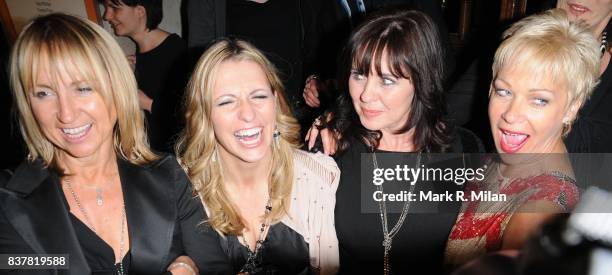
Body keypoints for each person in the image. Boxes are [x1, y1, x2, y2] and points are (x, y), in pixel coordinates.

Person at [0, 13, 230, 274]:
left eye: (83, 88)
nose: (66, 113)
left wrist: (191, 267)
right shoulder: (9, 202)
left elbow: (214, 265)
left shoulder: (168, 175)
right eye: (44, 93)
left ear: (116, 88)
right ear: (28, 105)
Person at [306, 9, 483, 274]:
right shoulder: (332, 147)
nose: (366, 94)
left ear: (422, 82)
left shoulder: (465, 151)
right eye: (359, 74)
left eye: (387, 80)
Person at [444, 9, 601, 266]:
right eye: (504, 91)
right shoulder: (515, 154)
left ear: (572, 107)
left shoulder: (539, 214)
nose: (511, 115)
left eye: (539, 100)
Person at [176, 38, 340, 274]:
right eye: (226, 101)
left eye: (259, 96)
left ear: (276, 101)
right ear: (204, 115)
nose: (248, 114)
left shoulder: (318, 176)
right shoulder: (181, 186)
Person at [103, 0, 187, 153]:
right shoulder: (137, 56)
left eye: (114, 8)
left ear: (140, 11)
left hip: (177, 159)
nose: (107, 16)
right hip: (154, 156)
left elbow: (191, 113)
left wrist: (148, 103)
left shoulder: (176, 50)